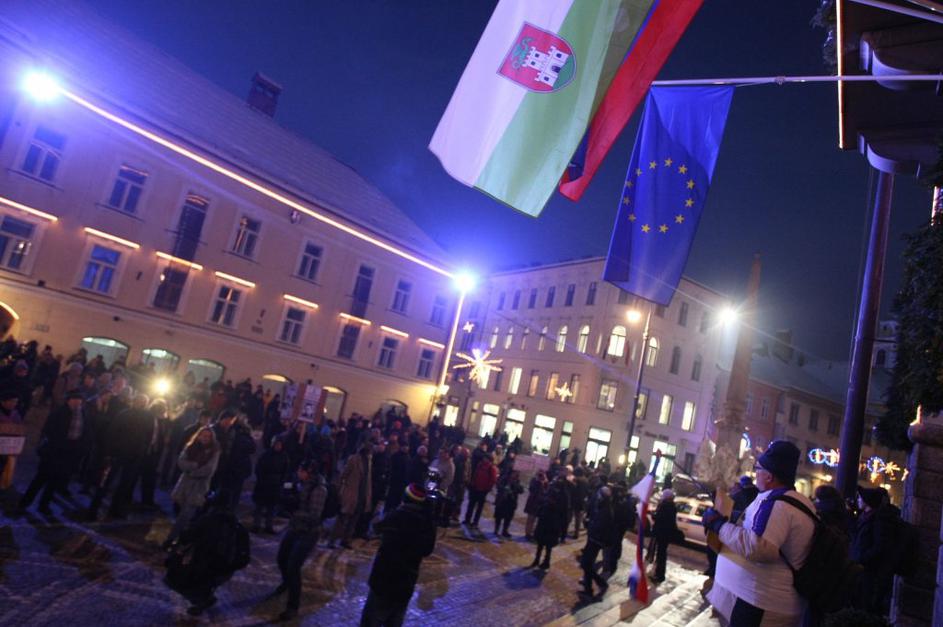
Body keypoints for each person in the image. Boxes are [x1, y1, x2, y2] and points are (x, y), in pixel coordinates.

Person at [703, 440, 815, 627]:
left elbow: (760, 548)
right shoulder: (793, 501)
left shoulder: (779, 505)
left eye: (758, 468)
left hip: (762, 605)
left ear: (769, 476)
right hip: (763, 602)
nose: (755, 472)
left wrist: (718, 525)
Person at [360, 483, 436, 627]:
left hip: (384, 579)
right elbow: (427, 550)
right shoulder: (427, 522)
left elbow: (375, 528)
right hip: (406, 581)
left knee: (372, 619)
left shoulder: (397, 516)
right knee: (395, 619)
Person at [165, 490, 249, 616]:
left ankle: (201, 602)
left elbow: (187, 535)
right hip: (225, 566)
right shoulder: (237, 526)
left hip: (205, 563)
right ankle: (205, 599)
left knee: (182, 579)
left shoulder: (208, 520)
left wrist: (177, 545)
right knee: (207, 582)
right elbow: (244, 552)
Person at [273, 460, 327, 621]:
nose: (298, 473)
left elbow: (314, 515)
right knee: (281, 558)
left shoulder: (319, 489)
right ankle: (287, 581)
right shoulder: (302, 484)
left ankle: (292, 606)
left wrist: (293, 510)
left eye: (301, 470)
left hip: (308, 533)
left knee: (293, 567)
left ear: (308, 472)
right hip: (295, 528)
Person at [19, 390, 88, 515]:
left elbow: (84, 432)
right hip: (53, 451)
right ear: (69, 400)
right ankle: (25, 503)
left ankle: (44, 505)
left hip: (68, 453)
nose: (78, 402)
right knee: (41, 478)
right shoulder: (60, 412)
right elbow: (49, 430)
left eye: (80, 400)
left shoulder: (82, 413)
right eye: (75, 399)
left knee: (55, 481)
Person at [165, 426, 220, 547]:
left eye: (208, 436)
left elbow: (209, 469)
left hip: (198, 487)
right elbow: (181, 462)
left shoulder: (214, 451)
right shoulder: (190, 447)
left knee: (186, 515)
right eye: (203, 435)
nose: (205, 438)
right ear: (198, 436)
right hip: (184, 485)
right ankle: (182, 537)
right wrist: (194, 465)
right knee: (179, 511)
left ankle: (173, 539)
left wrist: (192, 472)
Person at [852, 485, 897, 616]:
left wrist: (863, 558)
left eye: (860, 498)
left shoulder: (878, 520)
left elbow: (880, 545)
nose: (858, 500)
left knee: (866, 604)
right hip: (862, 567)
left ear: (868, 502)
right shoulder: (865, 516)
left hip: (870, 570)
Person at [212, 410, 256, 510]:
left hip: (236, 468)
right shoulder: (225, 431)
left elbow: (252, 448)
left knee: (232, 493)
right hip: (224, 467)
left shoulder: (242, 433)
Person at [330, 442, 371, 549]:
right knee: (342, 518)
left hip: (361, 494)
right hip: (351, 492)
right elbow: (344, 474)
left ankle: (346, 540)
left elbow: (367, 479)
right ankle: (332, 540)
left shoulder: (369, 461)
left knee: (354, 519)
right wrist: (340, 490)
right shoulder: (354, 459)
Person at [580, 485, 615, 598]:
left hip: (596, 540)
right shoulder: (603, 507)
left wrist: (589, 524)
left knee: (586, 564)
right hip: (594, 539)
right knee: (587, 564)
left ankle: (598, 585)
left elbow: (600, 526)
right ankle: (589, 588)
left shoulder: (606, 510)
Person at [251, 436, 290, 534]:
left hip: (275, 485)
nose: (278, 446)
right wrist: (261, 479)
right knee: (259, 506)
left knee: (271, 508)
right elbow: (259, 468)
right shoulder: (266, 455)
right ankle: (256, 525)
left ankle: (268, 526)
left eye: (280, 445)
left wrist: (281, 482)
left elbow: (285, 472)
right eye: (276, 444)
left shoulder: (284, 457)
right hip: (263, 484)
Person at [532, 475, 567, 570]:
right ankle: (537, 559)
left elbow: (563, 510)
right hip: (545, 519)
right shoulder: (553, 491)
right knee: (541, 542)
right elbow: (543, 500)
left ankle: (546, 561)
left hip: (552, 522)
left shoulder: (563, 495)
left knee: (548, 544)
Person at [651, 489, 679, 583]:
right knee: (661, 553)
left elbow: (659, 518)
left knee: (661, 554)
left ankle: (659, 575)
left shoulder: (665, 506)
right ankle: (658, 573)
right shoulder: (672, 506)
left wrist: (653, 515)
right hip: (666, 534)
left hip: (662, 533)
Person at [463, 452, 497, 528]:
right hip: (475, 488)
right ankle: (467, 519)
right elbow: (475, 475)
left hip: (483, 490)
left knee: (479, 508)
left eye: (485, 458)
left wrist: (487, 489)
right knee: (471, 505)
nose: (484, 459)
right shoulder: (480, 465)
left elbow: (493, 480)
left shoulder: (491, 468)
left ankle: (475, 522)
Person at [493, 470, 523, 537]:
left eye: (517, 473)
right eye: (515, 473)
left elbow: (521, 490)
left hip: (511, 502)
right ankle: (496, 530)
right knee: (499, 516)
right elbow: (498, 485)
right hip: (502, 501)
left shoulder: (517, 481)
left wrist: (516, 485)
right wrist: (505, 489)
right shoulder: (504, 478)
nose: (516, 474)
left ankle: (505, 531)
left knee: (508, 517)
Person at [524, 470, 548, 540]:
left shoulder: (545, 482)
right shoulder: (534, 481)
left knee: (534, 520)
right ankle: (527, 533)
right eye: (539, 474)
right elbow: (532, 490)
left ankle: (530, 532)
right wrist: (539, 482)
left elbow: (546, 492)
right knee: (530, 519)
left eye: (543, 474)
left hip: (539, 503)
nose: (541, 475)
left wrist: (545, 482)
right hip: (532, 502)